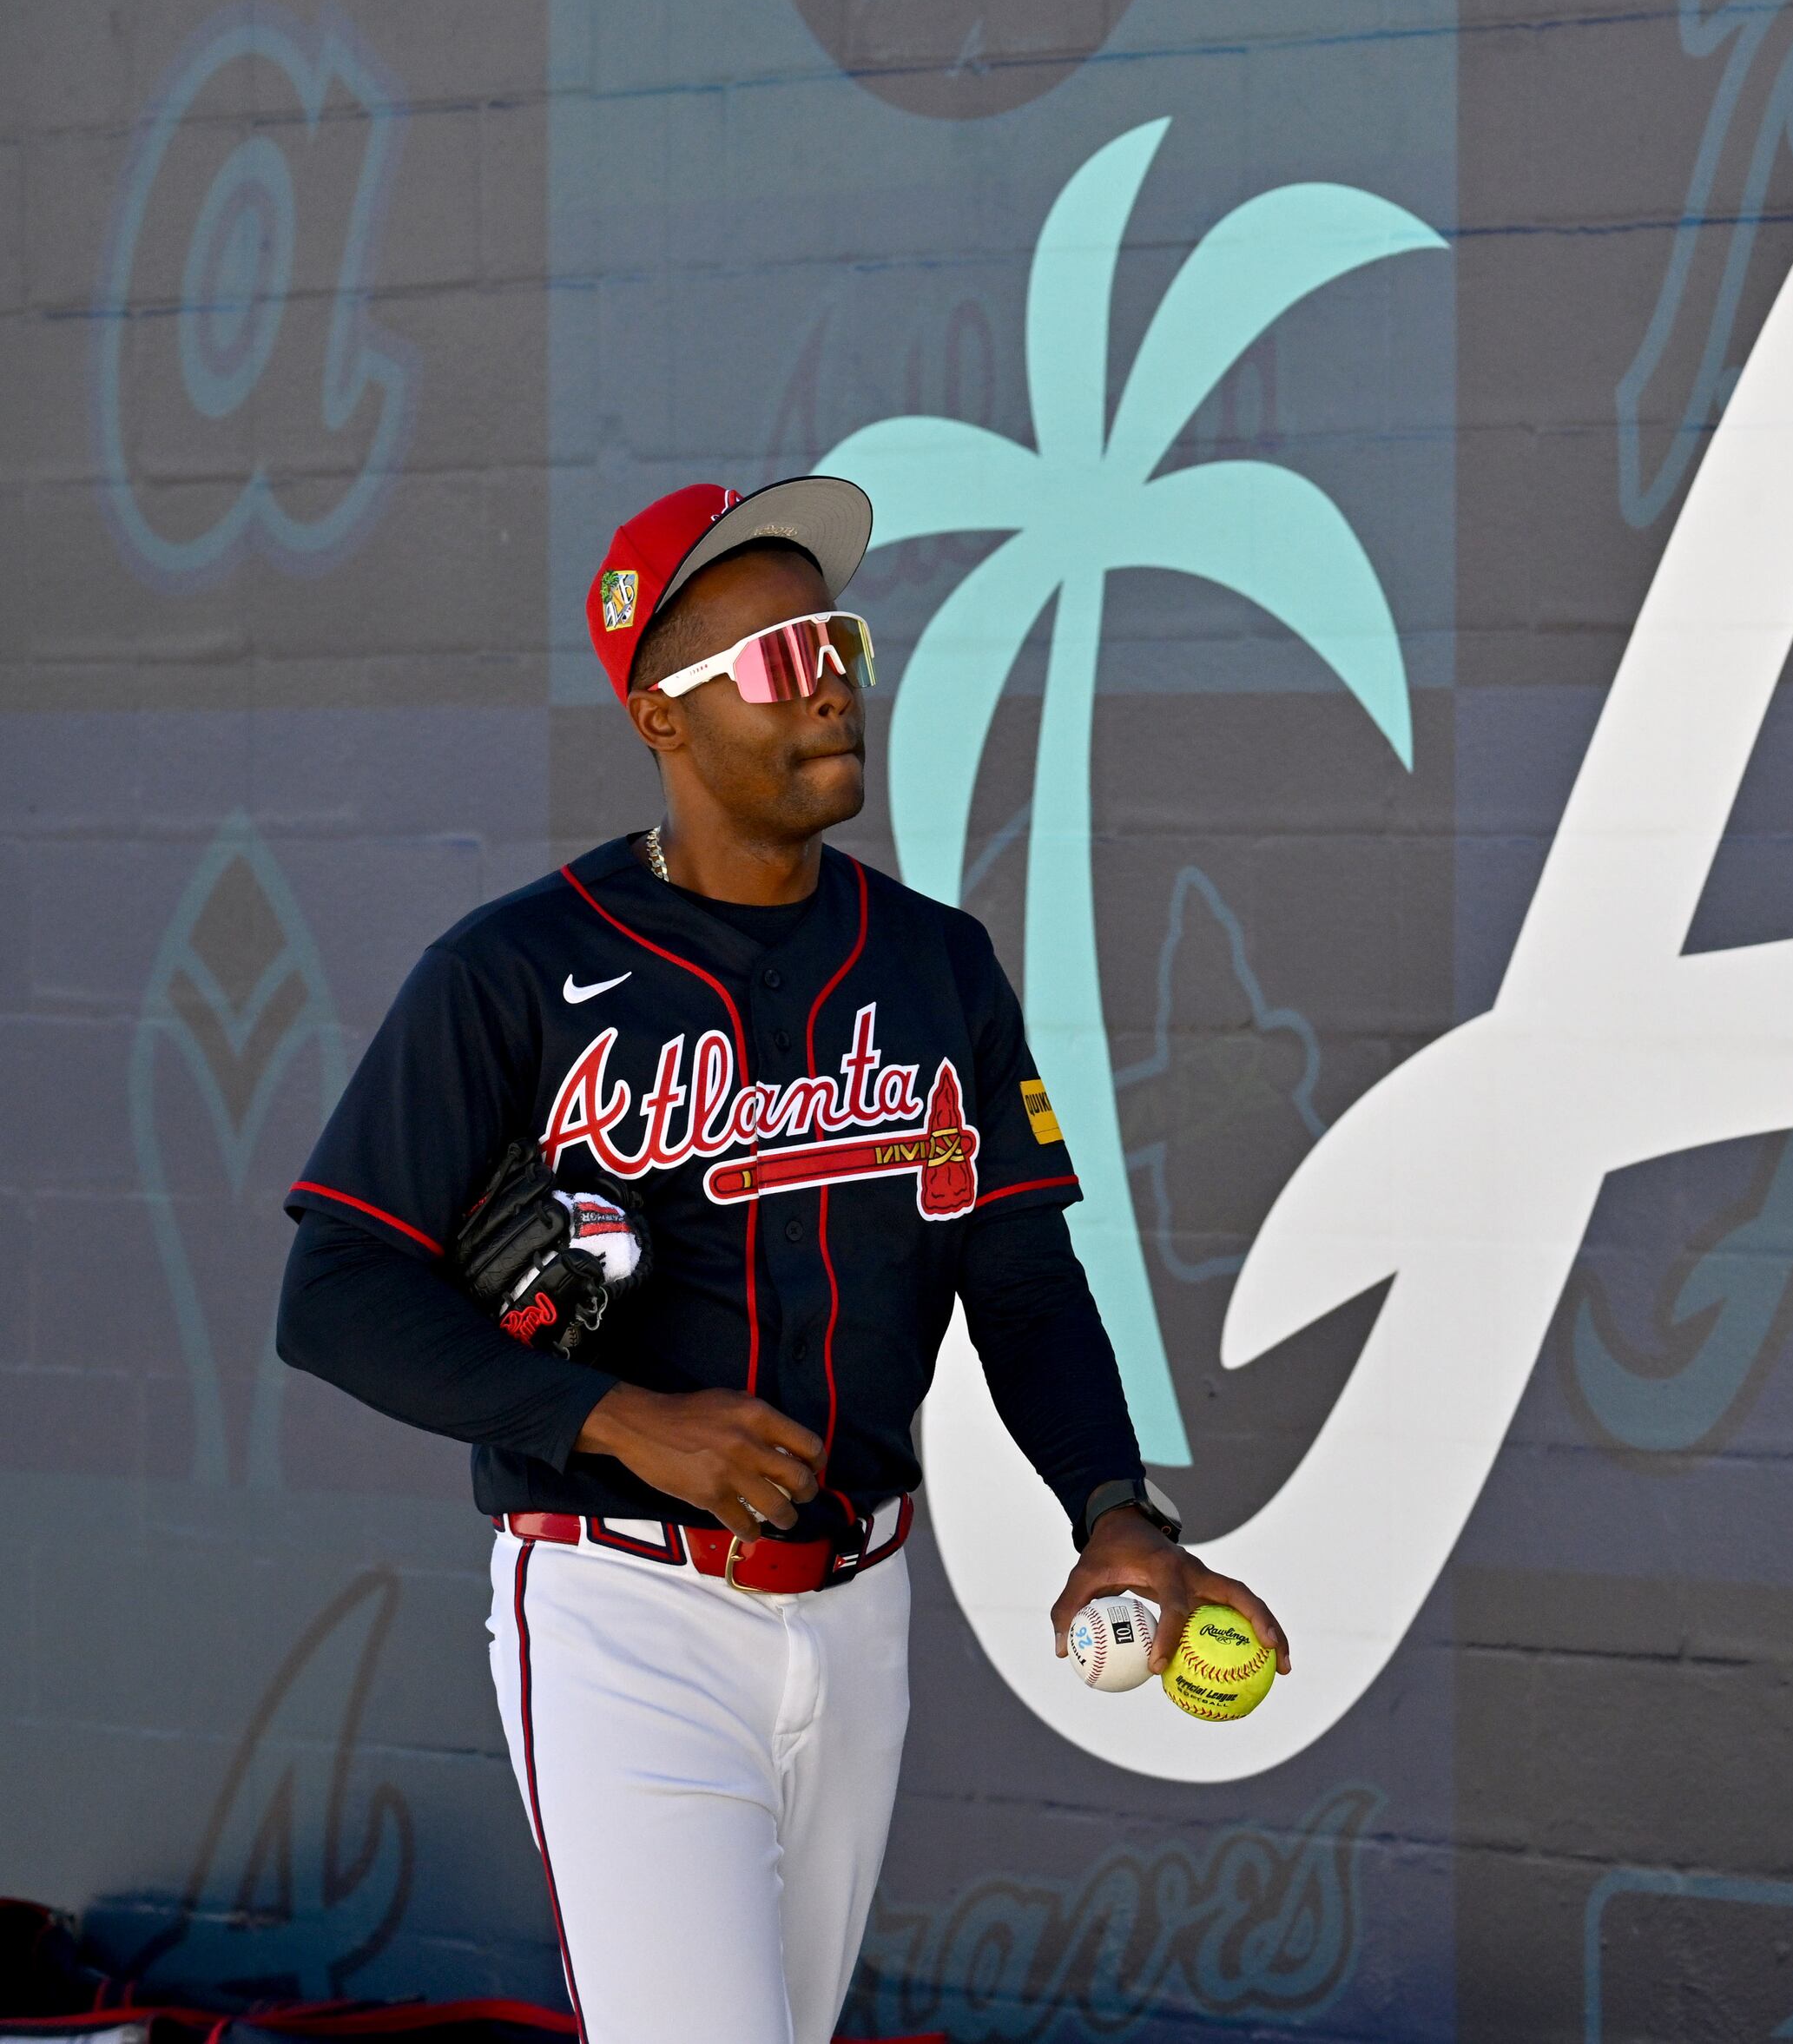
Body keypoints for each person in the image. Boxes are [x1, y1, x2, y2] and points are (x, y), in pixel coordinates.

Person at [271, 478, 1289, 2044]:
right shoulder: (513, 970)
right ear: (662, 722)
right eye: (770, 660)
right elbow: (333, 1290)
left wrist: (1114, 1509)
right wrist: (618, 1415)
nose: (824, 675)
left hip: (861, 1603)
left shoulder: (935, 960)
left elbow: (1019, 1271)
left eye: (836, 639)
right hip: (625, 1610)